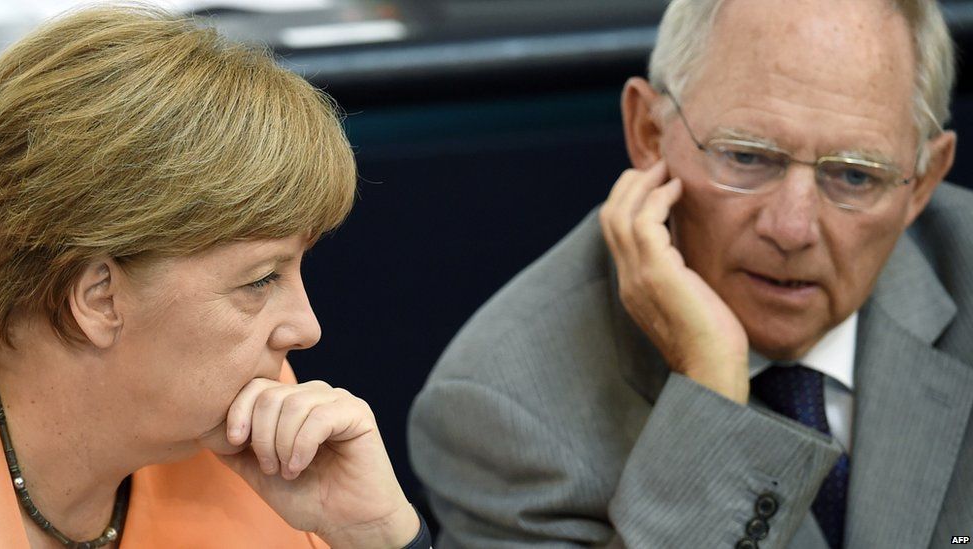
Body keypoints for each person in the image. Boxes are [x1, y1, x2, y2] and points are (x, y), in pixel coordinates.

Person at [409, 0, 973, 547]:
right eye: (748, 157)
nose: (792, 228)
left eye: (854, 175)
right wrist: (712, 397)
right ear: (649, 134)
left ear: (922, 181)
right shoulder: (505, 410)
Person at [0, 6, 433, 549]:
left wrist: (377, 536)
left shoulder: (269, 439)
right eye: (261, 280)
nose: (306, 329)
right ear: (99, 298)